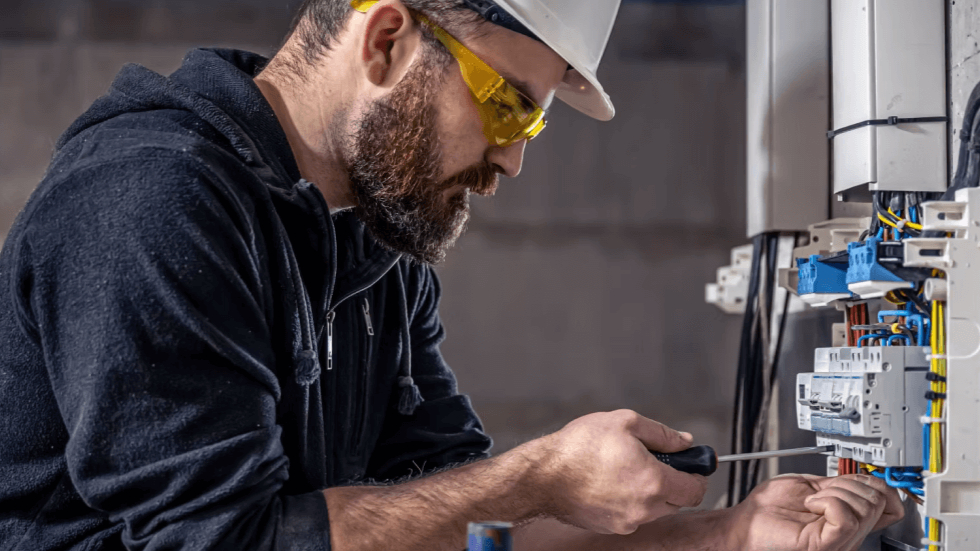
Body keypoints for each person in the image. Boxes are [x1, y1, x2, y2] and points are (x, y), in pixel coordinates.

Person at [0, 0, 903, 549]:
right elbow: (223, 540)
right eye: (507, 104)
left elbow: (458, 522)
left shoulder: (378, 246)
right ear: (387, 38)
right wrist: (539, 472)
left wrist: (729, 533)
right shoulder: (155, 201)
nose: (511, 163)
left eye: (533, 126)